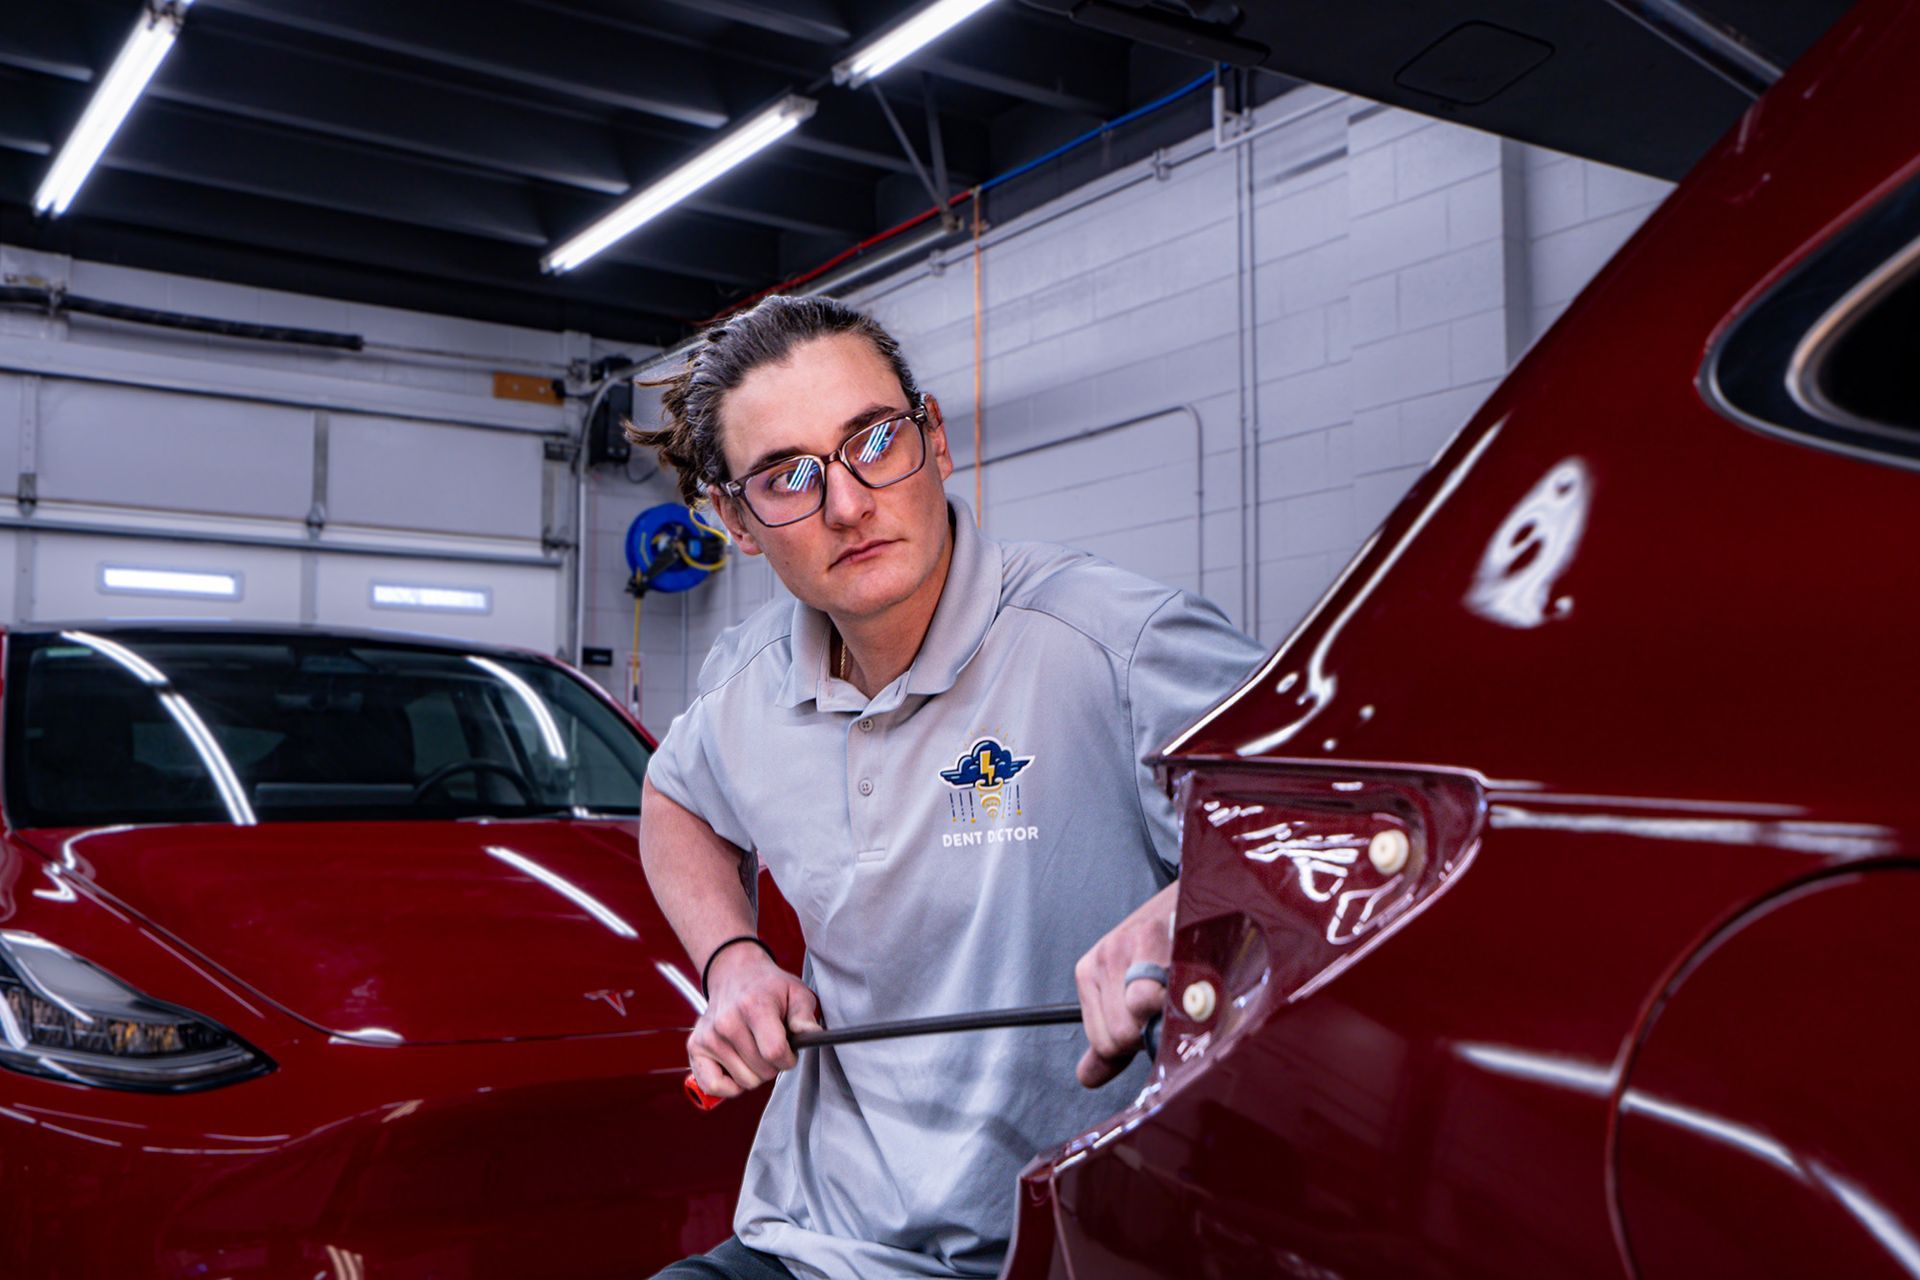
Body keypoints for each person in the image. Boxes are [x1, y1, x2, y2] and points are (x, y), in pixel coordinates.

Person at [630, 295, 1263, 1280]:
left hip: (1070, 1247)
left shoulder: (1118, 643)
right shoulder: (747, 684)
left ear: (932, 439)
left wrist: (1204, 901)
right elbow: (673, 802)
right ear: (735, 521)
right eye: (788, 475)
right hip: (812, 1240)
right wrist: (734, 959)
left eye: (873, 441)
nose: (847, 503)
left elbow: (1353, 831)